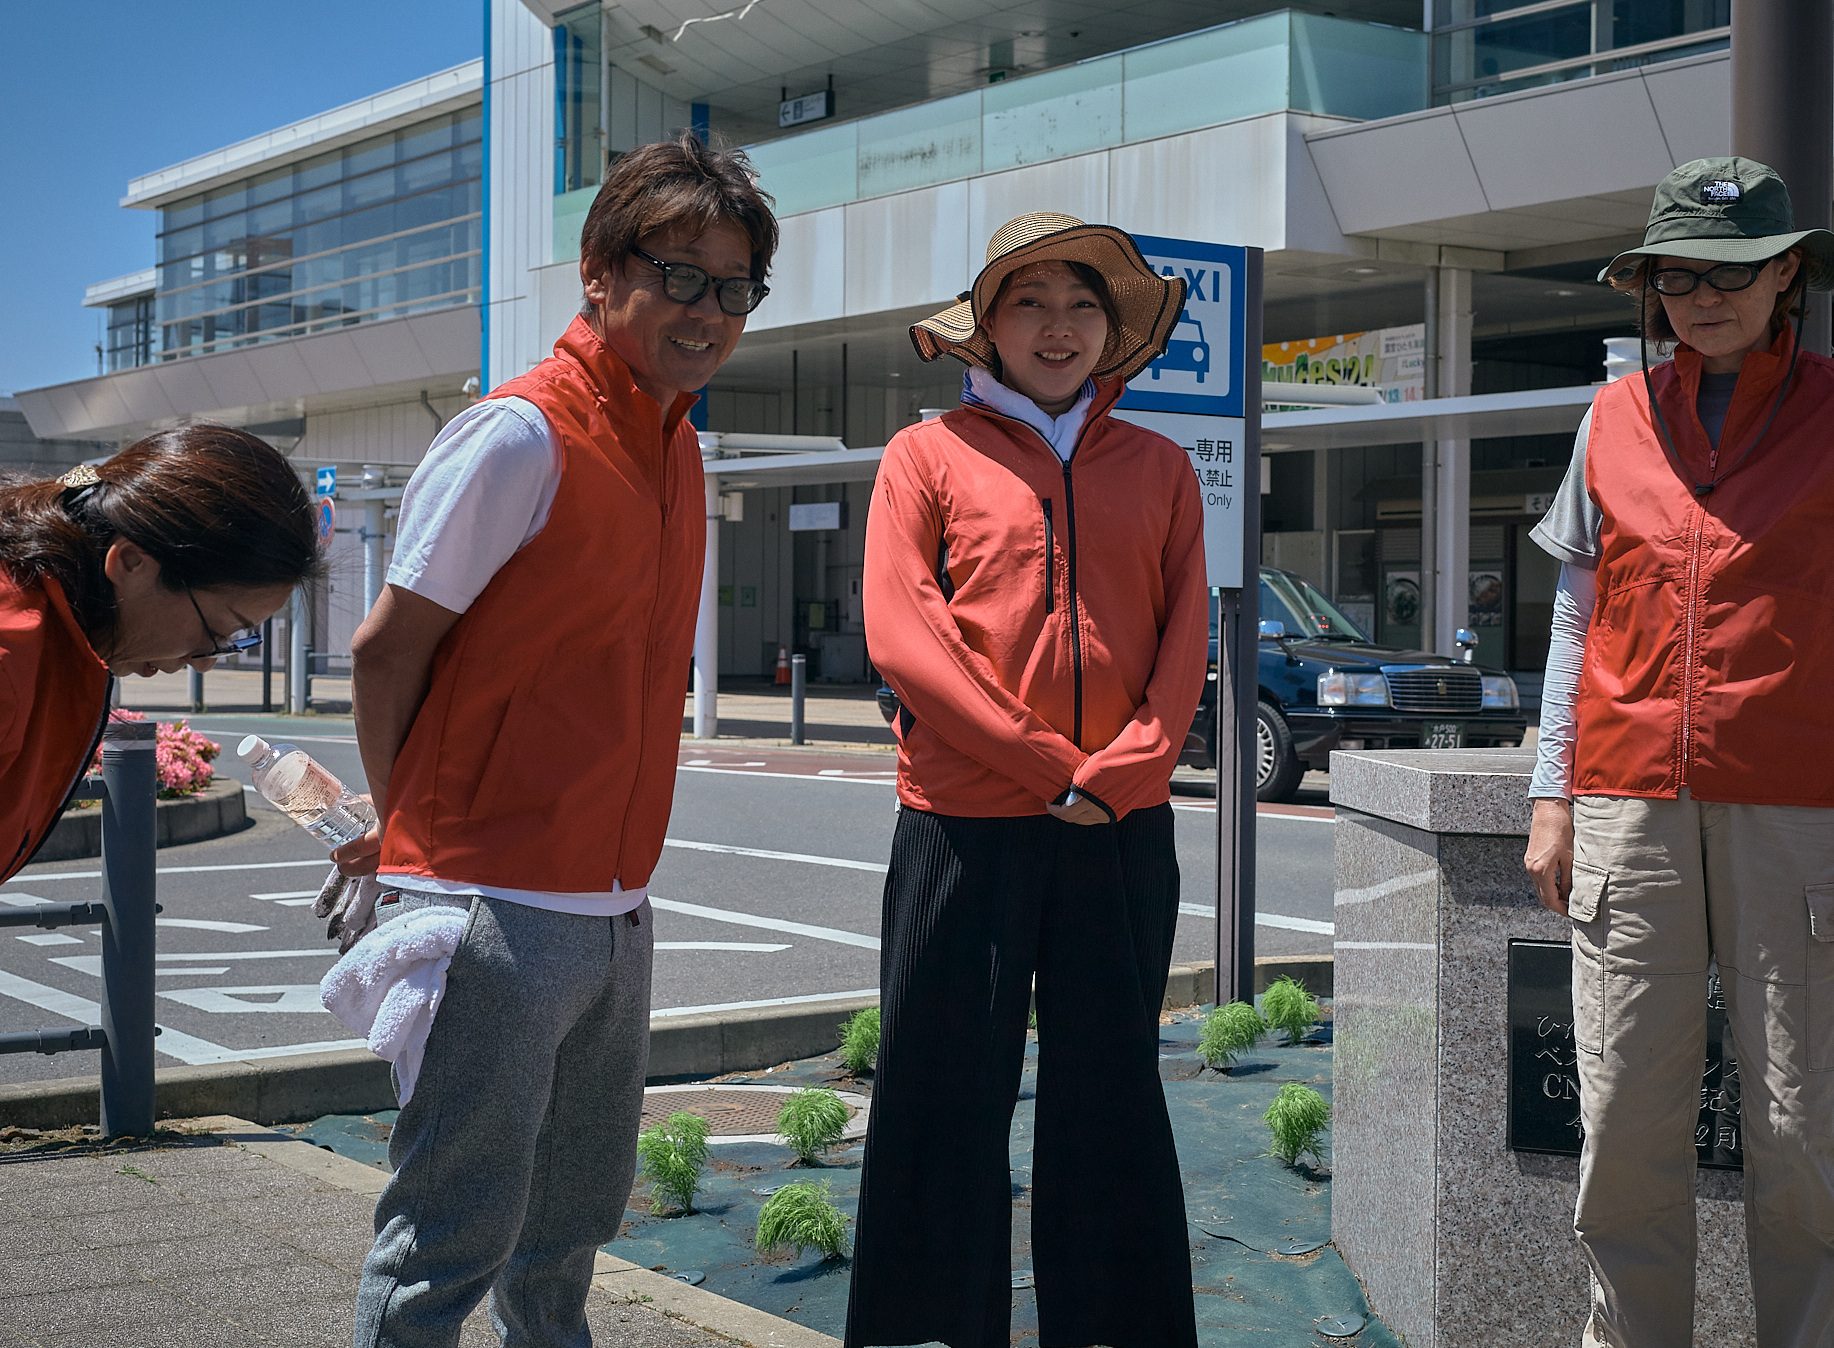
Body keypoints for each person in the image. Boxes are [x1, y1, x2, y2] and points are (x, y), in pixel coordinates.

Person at [331, 133, 776, 1346]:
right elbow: (386, 647)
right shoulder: (521, 435)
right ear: (598, 271)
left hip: (616, 901)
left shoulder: (673, 444)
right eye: (678, 273)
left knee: (568, 1230)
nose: (707, 309)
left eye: (734, 285)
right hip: (491, 900)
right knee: (448, 1234)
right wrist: (405, 832)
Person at [1521, 158, 1834, 1347]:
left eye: (1727, 271)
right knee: (1619, 1123)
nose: (1698, 295)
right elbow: (1571, 619)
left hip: (1803, 816)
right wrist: (1549, 793)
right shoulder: (1610, 417)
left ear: (1785, 277)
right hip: (1622, 804)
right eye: (1673, 274)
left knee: (1799, 1130)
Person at [845, 212, 1208, 1348]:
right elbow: (904, 636)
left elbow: (1185, 633)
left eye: (1083, 303)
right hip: (962, 824)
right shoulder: (924, 457)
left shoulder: (1161, 466)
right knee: (938, 1092)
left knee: (1111, 1094)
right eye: (1030, 303)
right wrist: (1050, 765)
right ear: (986, 330)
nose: (1059, 327)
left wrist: (1135, 764)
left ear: (1111, 330)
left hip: (1120, 827)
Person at [0, 425, 319, 881]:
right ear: (131, 563)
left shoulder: (50, 631)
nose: (207, 660)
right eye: (215, 629)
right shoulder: (11, 655)